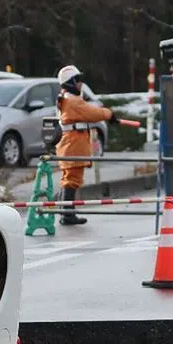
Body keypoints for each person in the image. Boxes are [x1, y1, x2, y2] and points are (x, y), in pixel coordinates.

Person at [55, 64, 116, 226]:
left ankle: (66, 212)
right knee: (72, 180)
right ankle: (67, 214)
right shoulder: (73, 101)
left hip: (70, 143)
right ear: (70, 82)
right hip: (73, 144)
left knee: (69, 179)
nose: (80, 84)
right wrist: (109, 114)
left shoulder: (66, 98)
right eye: (77, 80)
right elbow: (92, 112)